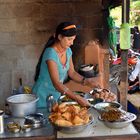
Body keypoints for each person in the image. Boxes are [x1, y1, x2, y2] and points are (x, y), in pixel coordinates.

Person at [32, 22, 116, 108]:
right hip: (42, 96)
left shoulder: (68, 51)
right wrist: (77, 98)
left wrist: (87, 81)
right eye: (69, 39)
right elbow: (56, 83)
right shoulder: (50, 53)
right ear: (60, 37)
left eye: (73, 39)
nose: (72, 43)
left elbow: (72, 73)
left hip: (55, 95)